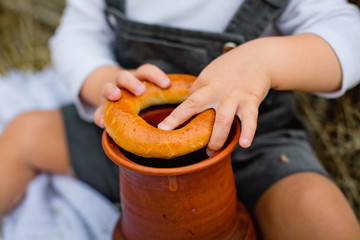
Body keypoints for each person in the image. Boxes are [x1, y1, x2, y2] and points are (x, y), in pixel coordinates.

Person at [1, 0, 360, 238]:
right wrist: (102, 80)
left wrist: (265, 61)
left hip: (253, 144)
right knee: (23, 133)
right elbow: (75, 36)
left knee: (320, 216)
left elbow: (349, 33)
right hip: (131, 149)